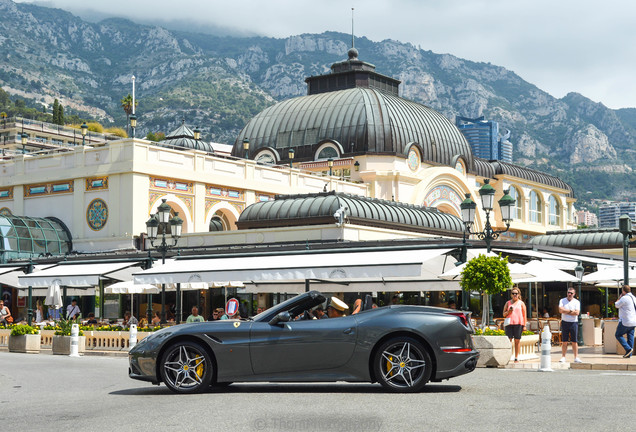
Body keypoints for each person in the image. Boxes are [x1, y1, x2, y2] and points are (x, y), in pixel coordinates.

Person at [502, 287, 527, 363]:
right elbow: (503, 314)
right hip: (509, 323)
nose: (514, 295)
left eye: (516, 293)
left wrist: (524, 325)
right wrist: (508, 312)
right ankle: (509, 356)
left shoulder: (521, 303)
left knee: (517, 340)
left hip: (518, 323)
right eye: (513, 293)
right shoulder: (508, 303)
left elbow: (524, 315)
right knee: (509, 340)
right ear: (511, 295)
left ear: (519, 294)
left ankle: (516, 357)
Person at [558, 288, 581, 363]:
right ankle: (563, 356)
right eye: (568, 292)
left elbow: (577, 313)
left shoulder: (576, 302)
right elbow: (560, 310)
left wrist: (566, 311)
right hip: (565, 322)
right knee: (564, 341)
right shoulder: (562, 300)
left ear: (574, 294)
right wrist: (571, 311)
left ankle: (576, 357)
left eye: (571, 293)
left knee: (574, 341)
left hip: (573, 322)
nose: (569, 294)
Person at [614, 284, 636, 358]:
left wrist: (619, 298)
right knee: (630, 337)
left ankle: (628, 348)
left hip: (625, 321)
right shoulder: (634, 298)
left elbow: (616, 305)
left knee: (618, 334)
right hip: (633, 321)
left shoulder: (624, 298)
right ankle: (628, 354)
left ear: (623, 291)